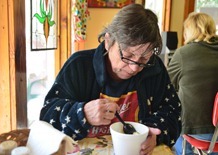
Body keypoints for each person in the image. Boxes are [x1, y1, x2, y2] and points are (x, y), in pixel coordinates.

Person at [40, 4, 181, 154]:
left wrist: (154, 134)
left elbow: (172, 111)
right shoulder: (79, 65)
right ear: (108, 41)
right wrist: (82, 113)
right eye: (128, 56)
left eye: (144, 58)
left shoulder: (154, 68)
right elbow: (47, 116)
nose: (134, 68)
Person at [168, 12, 218, 155]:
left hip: (198, 131)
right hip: (214, 136)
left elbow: (168, 86)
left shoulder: (184, 54)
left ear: (189, 30)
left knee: (173, 123)